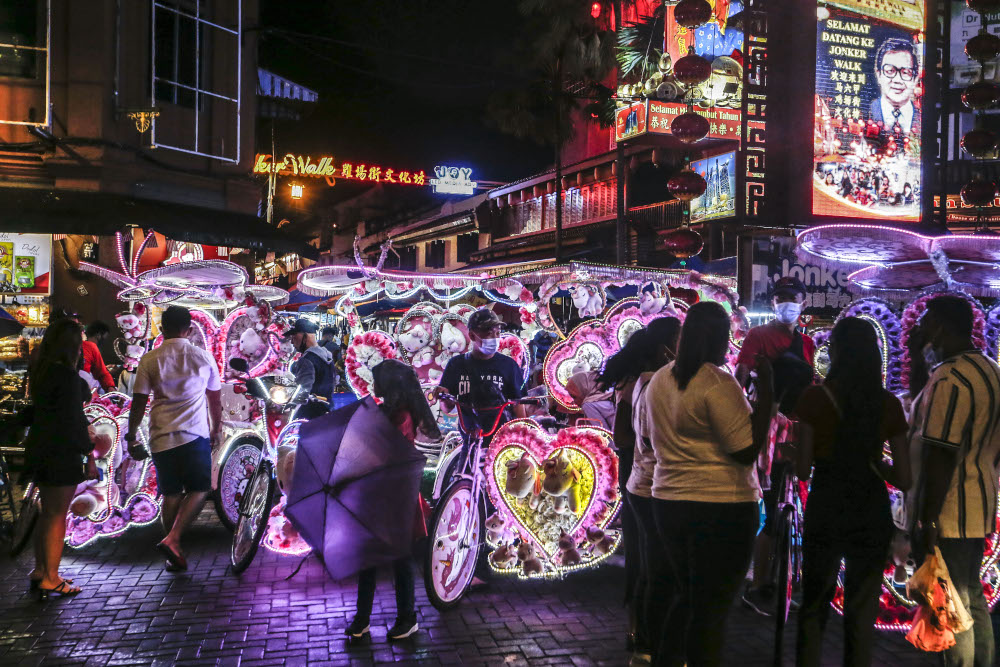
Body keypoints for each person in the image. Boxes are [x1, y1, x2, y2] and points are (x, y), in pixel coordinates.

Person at [643, 302, 773, 666]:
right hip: (721, 505)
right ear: (719, 338)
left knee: (688, 597)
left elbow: (653, 441)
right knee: (711, 608)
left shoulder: (660, 379)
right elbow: (744, 451)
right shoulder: (716, 381)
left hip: (669, 501)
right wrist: (767, 400)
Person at [794, 318, 912, 666]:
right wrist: (876, 464)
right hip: (869, 505)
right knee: (861, 609)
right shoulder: (888, 404)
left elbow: (803, 469)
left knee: (814, 603)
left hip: (827, 502)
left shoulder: (814, 397)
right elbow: (904, 478)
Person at [911, 295, 1000, 666]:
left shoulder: (951, 377)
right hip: (980, 502)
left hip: (951, 508)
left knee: (954, 602)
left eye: (929, 321)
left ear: (942, 328)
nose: (923, 328)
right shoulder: (990, 370)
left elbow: (940, 454)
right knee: (973, 598)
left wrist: (928, 518)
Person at [598, 318, 681, 664]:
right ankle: (641, 634)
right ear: (666, 347)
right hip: (638, 472)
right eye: (680, 340)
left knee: (648, 554)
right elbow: (620, 437)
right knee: (645, 555)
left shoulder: (655, 380)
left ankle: (643, 632)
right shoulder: (640, 383)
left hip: (642, 471)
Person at [346, 359, 441, 641]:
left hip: (394, 494)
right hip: (381, 492)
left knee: (398, 558)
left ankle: (406, 618)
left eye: (377, 379)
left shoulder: (399, 416)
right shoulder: (389, 411)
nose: (373, 384)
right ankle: (364, 619)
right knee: (371, 558)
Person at [736, 276, 816, 614]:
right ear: (773, 303)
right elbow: (739, 380)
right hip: (766, 428)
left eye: (793, 299)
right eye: (782, 299)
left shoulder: (807, 342)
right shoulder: (757, 336)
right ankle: (758, 582)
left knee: (799, 500)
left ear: (802, 303)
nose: (788, 304)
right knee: (767, 508)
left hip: (800, 430)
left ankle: (793, 576)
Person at [125, 306, 222, 572]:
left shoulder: (149, 359)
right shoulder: (203, 356)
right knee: (200, 488)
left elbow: (139, 402)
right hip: (194, 434)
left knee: (171, 493)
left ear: (162, 328)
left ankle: (173, 553)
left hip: (160, 436)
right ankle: (174, 538)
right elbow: (215, 398)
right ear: (189, 329)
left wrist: (132, 435)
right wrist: (217, 428)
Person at [23, 318, 95, 599]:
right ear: (73, 346)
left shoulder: (41, 370)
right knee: (56, 515)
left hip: (41, 447)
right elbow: (73, 419)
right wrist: (88, 453)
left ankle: (41, 570)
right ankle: (51, 577)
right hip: (61, 451)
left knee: (47, 512)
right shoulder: (66, 377)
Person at [438, 308, 525, 440]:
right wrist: (443, 397)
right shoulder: (456, 365)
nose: (495, 338)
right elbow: (446, 408)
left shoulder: (509, 365)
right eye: (490, 334)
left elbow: (519, 405)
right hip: (470, 441)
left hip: (503, 443)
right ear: (472, 336)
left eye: (498, 333)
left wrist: (523, 436)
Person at [868, 38, 921, 140]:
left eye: (905, 72)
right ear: (878, 74)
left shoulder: (924, 119)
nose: (897, 80)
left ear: (915, 78)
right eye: (890, 71)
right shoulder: (865, 113)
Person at [285, 319, 335, 400]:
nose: (292, 341)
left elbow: (301, 394)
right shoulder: (326, 355)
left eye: (294, 336)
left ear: (305, 336)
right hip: (327, 406)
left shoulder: (307, 360)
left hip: (310, 410)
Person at [81, 320, 115, 393]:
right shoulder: (90, 347)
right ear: (98, 335)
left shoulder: (91, 347)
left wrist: (110, 387)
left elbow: (101, 372)